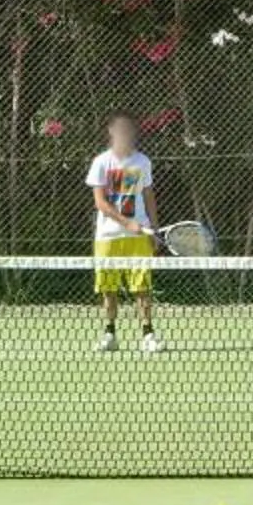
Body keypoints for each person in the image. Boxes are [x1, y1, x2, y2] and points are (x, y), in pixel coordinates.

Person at [88, 116, 162, 354]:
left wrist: (154, 229)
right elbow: (100, 202)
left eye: (128, 130)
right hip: (107, 237)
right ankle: (110, 334)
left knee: (142, 287)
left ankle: (148, 335)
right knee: (108, 288)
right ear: (111, 132)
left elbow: (148, 196)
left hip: (139, 237)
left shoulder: (142, 162)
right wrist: (126, 223)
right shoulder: (101, 162)